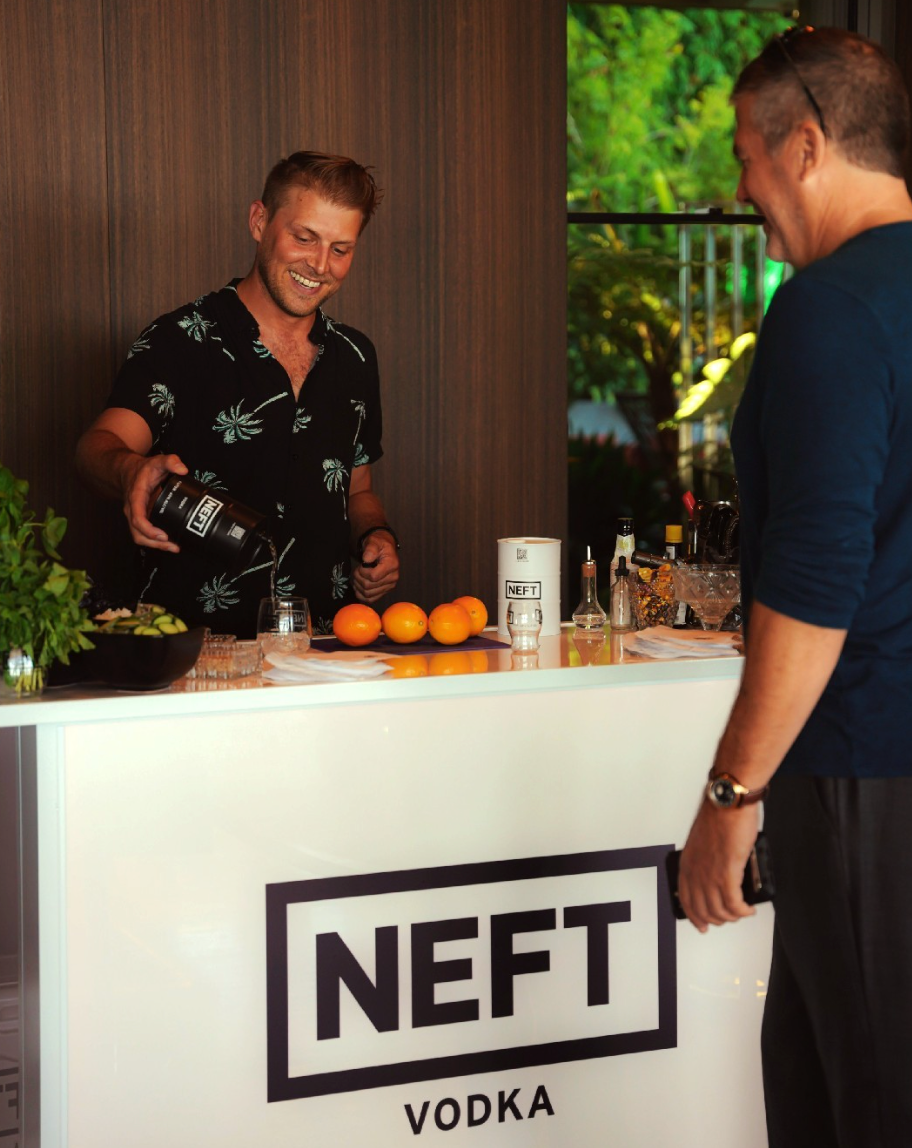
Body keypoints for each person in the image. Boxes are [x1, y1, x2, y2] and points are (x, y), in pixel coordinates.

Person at [676, 27, 912, 1148]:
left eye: (746, 155)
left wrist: (730, 800)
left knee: (856, 1094)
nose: (741, 188)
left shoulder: (827, 309)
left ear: (805, 144)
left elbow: (816, 587)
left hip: (861, 768)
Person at [76, 151, 400, 636]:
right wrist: (131, 471)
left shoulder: (356, 356)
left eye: (340, 248)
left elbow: (358, 488)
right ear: (259, 220)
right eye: (304, 237)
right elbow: (95, 446)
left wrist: (377, 538)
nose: (319, 264)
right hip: (195, 651)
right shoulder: (181, 337)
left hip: (326, 648)